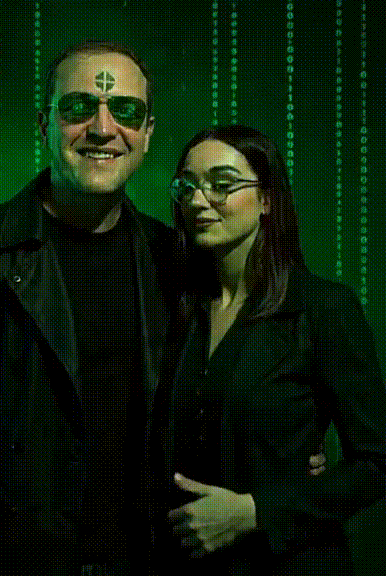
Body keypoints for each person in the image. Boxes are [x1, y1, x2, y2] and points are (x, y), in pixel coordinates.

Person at [0, 41, 177, 576]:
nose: (103, 128)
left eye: (125, 110)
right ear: (44, 124)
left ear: (147, 132)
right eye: (78, 107)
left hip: (149, 560)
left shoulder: (175, 258)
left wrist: (286, 451)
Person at [153, 125, 386, 575]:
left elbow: (377, 463)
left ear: (267, 200)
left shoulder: (321, 308)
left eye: (221, 184)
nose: (198, 200)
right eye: (187, 186)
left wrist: (257, 510)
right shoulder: (175, 310)